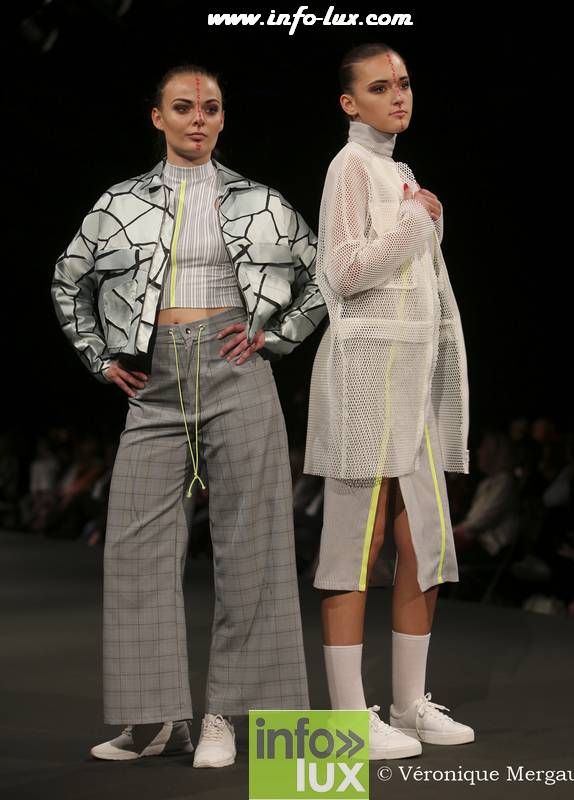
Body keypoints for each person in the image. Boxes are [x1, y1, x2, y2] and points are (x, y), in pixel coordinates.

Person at [51, 64, 326, 768]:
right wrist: (98, 356)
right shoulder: (118, 202)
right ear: (158, 118)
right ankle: (156, 720)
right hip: (155, 379)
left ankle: (226, 717)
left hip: (237, 368)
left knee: (253, 545)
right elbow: (67, 278)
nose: (197, 118)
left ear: (223, 117)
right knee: (134, 549)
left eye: (209, 107)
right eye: (183, 107)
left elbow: (321, 274)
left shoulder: (261, 200)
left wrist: (275, 336)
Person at [304, 43, 474, 760]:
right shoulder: (349, 165)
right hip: (368, 374)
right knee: (358, 544)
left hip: (415, 376)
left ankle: (408, 705)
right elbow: (342, 272)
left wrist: (421, 218)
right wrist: (416, 223)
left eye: (402, 83)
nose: (397, 95)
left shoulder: (398, 171)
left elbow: (416, 281)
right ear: (350, 102)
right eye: (379, 87)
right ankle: (347, 722)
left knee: (424, 542)